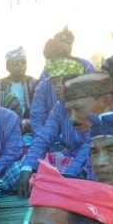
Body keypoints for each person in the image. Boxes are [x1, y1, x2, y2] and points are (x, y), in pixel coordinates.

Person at [18, 62, 93, 197]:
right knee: (23, 169)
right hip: (70, 159)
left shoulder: (90, 105)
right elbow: (43, 137)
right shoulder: (59, 106)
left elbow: (89, 147)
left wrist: (70, 175)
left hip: (91, 163)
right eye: (54, 82)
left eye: (62, 81)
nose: (57, 87)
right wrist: (27, 167)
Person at [0, 47, 39, 139]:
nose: (20, 65)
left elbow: (39, 109)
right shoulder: (0, 85)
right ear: (8, 67)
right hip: (6, 125)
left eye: (23, 62)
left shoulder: (34, 83)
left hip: (30, 124)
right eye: (15, 63)